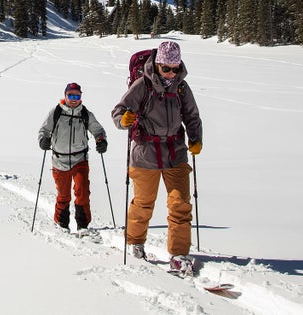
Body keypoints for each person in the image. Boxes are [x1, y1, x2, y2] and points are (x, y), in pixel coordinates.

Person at [112, 40, 202, 274]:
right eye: (166, 68)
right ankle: (134, 241)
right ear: (158, 64)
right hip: (145, 154)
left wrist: (196, 138)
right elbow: (119, 110)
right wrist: (123, 121)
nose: (171, 73)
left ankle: (179, 253)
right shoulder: (143, 85)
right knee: (143, 204)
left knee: (181, 203)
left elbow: (192, 116)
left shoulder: (182, 87)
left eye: (175, 68)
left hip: (175, 152)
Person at [37, 82, 108, 235]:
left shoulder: (85, 114)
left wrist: (101, 140)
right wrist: (43, 140)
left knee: (82, 191)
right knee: (63, 195)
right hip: (59, 160)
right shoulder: (56, 112)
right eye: (71, 95)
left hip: (80, 159)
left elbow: (98, 130)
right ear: (65, 96)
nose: (74, 99)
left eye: (77, 96)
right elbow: (44, 130)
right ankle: (62, 223)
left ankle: (83, 225)